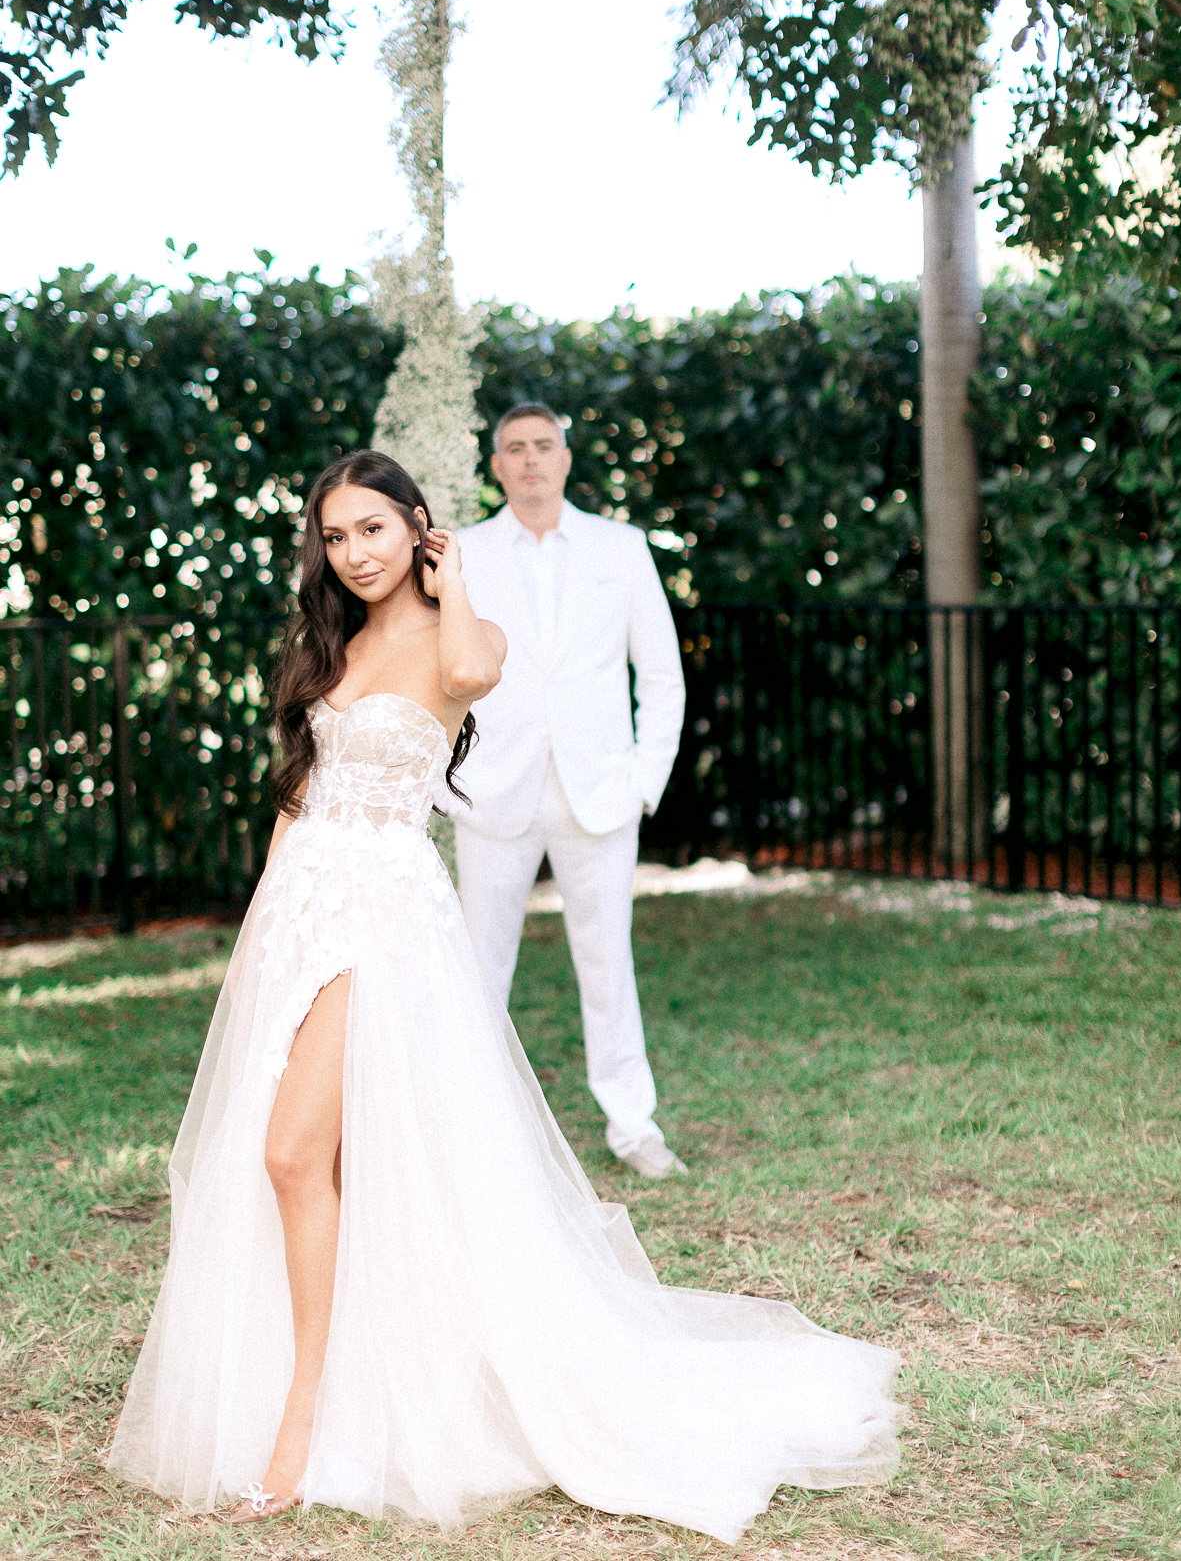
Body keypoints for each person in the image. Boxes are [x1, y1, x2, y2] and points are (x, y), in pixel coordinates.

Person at [107, 448, 900, 1543]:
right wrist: (255, 936)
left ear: (417, 526)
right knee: (331, 1162)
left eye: (374, 529)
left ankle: (301, 1421)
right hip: (300, 908)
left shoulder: (462, 636)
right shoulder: (329, 644)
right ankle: (351, 1380)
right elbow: (298, 797)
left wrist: (454, 580)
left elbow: (476, 672)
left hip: (382, 915)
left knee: (291, 1154)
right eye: (336, 537)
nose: (355, 553)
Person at [453, 403, 687, 1179]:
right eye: (515, 448)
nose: (530, 459)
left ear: (565, 458)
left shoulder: (621, 548)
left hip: (601, 792)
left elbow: (661, 675)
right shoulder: (465, 553)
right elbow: (438, 668)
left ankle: (634, 1125)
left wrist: (645, 781)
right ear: (496, 465)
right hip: (494, 792)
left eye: (543, 446)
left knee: (607, 961)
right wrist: (448, 783)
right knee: (479, 965)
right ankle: (474, 1128)